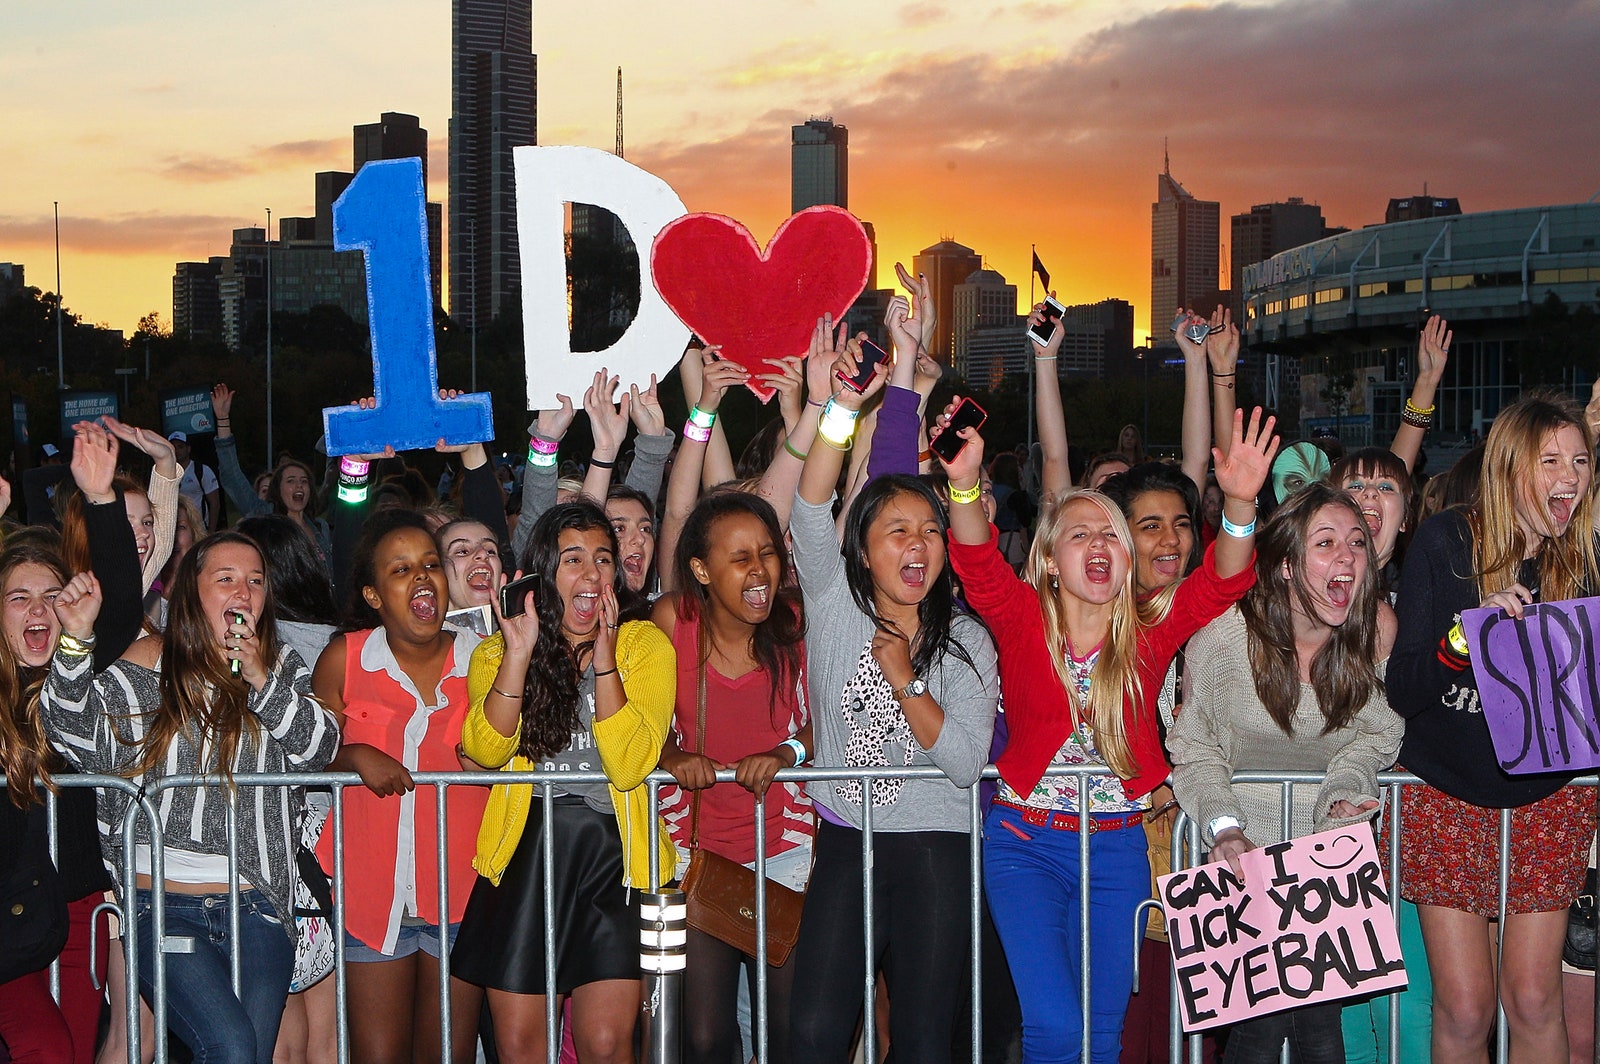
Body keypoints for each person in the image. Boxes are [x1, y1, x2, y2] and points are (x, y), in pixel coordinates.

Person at [941, 398, 1277, 1064]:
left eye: (1111, 537)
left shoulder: (1149, 630)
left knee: (1100, 1036)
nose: (1099, 545)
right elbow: (976, 561)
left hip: (1119, 852)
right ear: (1047, 562)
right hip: (1023, 849)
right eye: (1079, 534)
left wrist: (1238, 505)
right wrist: (964, 484)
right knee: (1056, 1029)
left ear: (1126, 563)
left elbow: (1222, 581)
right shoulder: (1018, 617)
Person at [39, 533, 339, 1064]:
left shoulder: (280, 666)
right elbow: (71, 729)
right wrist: (74, 642)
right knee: (231, 1045)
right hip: (165, 906)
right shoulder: (144, 665)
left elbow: (321, 748)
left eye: (254, 580)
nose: (242, 592)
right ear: (189, 592)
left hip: (260, 906)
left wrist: (261, 680)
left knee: (245, 1055)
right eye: (225, 579)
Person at [788, 350, 999, 1064]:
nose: (918, 543)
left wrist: (907, 680)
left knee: (922, 1041)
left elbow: (967, 762)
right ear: (864, 553)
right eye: (898, 531)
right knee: (814, 1031)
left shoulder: (968, 638)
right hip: (850, 842)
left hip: (939, 850)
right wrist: (844, 405)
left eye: (930, 530)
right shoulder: (833, 603)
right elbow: (809, 507)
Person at [1387, 391, 1600, 1064]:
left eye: (1580, 460)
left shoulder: (1586, 557)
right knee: (1466, 1006)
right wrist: (1466, 639)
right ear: (1510, 467)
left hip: (1549, 799)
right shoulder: (1446, 539)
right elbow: (1405, 687)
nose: (1568, 474)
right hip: (1445, 795)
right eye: (1550, 460)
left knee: (1536, 1000)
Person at [1168, 483, 1403, 1062]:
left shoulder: (1361, 644)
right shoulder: (1226, 639)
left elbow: (1378, 734)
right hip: (1238, 873)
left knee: (1322, 1041)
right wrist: (1223, 827)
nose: (1348, 555)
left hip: (1325, 885)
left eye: (1356, 543)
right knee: (1253, 1041)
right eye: (1326, 543)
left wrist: (1345, 795)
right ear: (1287, 566)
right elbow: (1194, 749)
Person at [451, 501, 675, 1064]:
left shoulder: (644, 645)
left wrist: (605, 659)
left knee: (606, 1044)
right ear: (544, 575)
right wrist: (519, 655)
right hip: (527, 854)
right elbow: (484, 748)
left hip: (617, 859)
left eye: (603, 558)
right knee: (523, 1047)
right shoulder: (499, 651)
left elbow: (629, 764)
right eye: (573, 559)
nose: (593, 573)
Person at [312, 509, 488, 1064]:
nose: (422, 578)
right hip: (369, 894)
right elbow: (303, 751)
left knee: (448, 1056)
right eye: (401, 569)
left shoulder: (483, 658)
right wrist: (353, 754)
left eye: (431, 564)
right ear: (372, 594)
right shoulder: (345, 656)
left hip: (464, 894)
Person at [653, 491, 812, 1064]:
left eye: (767, 553)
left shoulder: (794, 622)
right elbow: (642, 723)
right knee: (704, 1037)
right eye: (739, 556)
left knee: (787, 1030)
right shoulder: (674, 621)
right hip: (699, 857)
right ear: (701, 569)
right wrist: (672, 756)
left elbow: (832, 724)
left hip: (785, 854)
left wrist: (787, 752)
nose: (758, 569)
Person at [0, 540, 113, 1064]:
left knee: (75, 1051)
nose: (39, 608)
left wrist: (106, 500)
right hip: (8, 914)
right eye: (18, 597)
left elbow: (125, 596)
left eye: (51, 594)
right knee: (45, 1048)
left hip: (78, 909)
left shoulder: (87, 684)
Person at [168, 430, 222, 532]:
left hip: (199, 528)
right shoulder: (165, 473)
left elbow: (215, 503)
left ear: (188, 449)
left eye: (180, 447)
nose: (177, 451)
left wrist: (211, 531)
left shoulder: (202, 471)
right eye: (173, 447)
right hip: (176, 530)